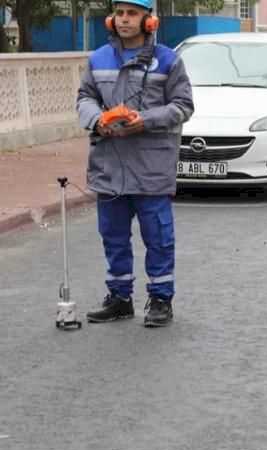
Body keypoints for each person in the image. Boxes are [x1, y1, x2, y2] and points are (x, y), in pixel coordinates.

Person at [76, 0, 193, 327]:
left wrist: (146, 120)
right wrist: (96, 120)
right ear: (111, 19)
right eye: (119, 13)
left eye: (132, 14)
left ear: (149, 21)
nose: (124, 19)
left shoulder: (169, 61)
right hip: (109, 165)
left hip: (152, 166)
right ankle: (119, 298)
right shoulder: (98, 59)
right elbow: (84, 98)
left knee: (158, 237)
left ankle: (160, 300)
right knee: (112, 236)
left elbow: (183, 106)